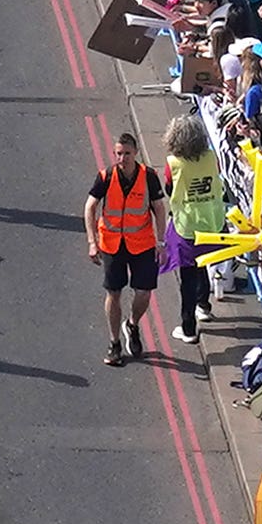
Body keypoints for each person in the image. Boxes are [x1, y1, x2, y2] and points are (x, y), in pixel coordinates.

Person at [85, 141, 170, 366]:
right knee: (113, 293)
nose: (123, 158)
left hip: (142, 243)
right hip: (112, 244)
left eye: (127, 154)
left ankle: (132, 324)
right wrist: (92, 242)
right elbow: (90, 207)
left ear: (136, 153)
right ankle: (114, 344)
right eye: (119, 154)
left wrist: (161, 241)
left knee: (144, 293)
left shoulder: (148, 176)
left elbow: (159, 209)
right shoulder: (106, 176)